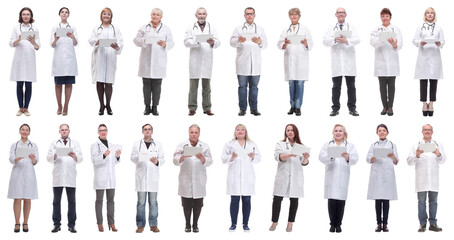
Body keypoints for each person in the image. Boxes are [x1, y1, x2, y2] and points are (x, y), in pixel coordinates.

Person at [134, 8, 174, 116]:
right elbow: (136, 40)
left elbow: (171, 43)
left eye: (157, 15)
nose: (155, 16)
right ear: (150, 15)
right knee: (146, 85)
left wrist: (164, 44)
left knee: (157, 86)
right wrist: (144, 40)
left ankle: (155, 107)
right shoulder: (144, 28)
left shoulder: (166, 29)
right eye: (153, 14)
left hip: (159, 62)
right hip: (146, 61)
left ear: (161, 17)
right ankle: (147, 107)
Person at [173, 124, 213, 233]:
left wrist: (203, 159)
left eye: (196, 132)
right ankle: (187, 224)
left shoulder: (204, 146)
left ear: (199, 134)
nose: (193, 134)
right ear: (188, 133)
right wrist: (182, 157)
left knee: (198, 204)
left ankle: (195, 224)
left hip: (199, 179)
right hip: (185, 179)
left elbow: (210, 161)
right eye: (191, 132)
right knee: (186, 203)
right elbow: (175, 160)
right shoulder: (182, 145)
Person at [269, 124, 309, 232]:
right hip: (283, 176)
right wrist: (290, 155)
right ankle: (274, 222)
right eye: (288, 130)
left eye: (292, 130)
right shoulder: (280, 144)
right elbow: (278, 157)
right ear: (285, 132)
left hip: (296, 177)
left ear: (296, 132)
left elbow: (304, 163)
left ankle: (290, 223)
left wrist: (305, 158)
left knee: (294, 200)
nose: (290, 132)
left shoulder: (301, 146)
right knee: (277, 199)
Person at [319, 124, 358, 233]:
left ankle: (339, 224)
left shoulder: (350, 145)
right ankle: (332, 224)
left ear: (344, 133)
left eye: (340, 131)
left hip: (343, 176)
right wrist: (330, 157)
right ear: (333, 133)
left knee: (341, 202)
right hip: (331, 175)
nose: (338, 132)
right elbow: (321, 157)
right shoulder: (327, 144)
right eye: (336, 130)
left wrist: (347, 157)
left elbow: (355, 158)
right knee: (331, 201)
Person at [221, 124, 261, 232]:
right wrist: (231, 157)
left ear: (246, 132)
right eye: (238, 130)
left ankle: (245, 224)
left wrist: (253, 156)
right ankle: (233, 224)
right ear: (235, 132)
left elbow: (259, 157)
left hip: (247, 176)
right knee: (234, 200)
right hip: (234, 176)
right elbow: (223, 158)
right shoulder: (229, 144)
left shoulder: (252, 144)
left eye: (242, 129)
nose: (240, 131)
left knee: (247, 200)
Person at [407, 124, 446, 232]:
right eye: (425, 130)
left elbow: (443, 160)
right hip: (421, 179)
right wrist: (417, 155)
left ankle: (433, 224)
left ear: (432, 132)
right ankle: (422, 224)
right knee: (421, 202)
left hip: (433, 178)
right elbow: (409, 162)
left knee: (433, 201)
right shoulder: (416, 145)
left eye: (429, 130)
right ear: (422, 131)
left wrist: (438, 154)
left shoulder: (437, 144)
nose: (427, 131)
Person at [323, 7, 360, 117]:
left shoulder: (352, 27)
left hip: (349, 62)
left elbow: (357, 39)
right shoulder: (331, 28)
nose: (340, 14)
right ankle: (335, 108)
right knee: (336, 87)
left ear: (345, 14)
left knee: (351, 87)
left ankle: (352, 108)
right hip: (337, 62)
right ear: (336, 15)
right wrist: (334, 39)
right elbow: (325, 41)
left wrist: (346, 40)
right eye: (338, 13)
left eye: (342, 12)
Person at [230, 7, 267, 116]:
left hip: (256, 63)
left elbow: (265, 44)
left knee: (254, 87)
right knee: (242, 87)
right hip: (242, 63)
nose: (249, 16)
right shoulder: (238, 28)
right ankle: (242, 109)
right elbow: (231, 42)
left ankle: (254, 109)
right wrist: (238, 40)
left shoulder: (260, 29)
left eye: (251, 14)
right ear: (244, 15)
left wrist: (260, 42)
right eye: (247, 14)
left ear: (254, 15)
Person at [47, 124, 83, 233]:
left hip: (70, 176)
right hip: (58, 176)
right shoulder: (54, 143)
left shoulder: (75, 143)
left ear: (69, 131)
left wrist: (75, 156)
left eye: (66, 130)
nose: (64, 131)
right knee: (56, 202)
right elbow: (48, 157)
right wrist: (54, 155)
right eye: (62, 130)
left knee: (72, 202)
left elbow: (81, 158)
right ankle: (56, 224)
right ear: (59, 131)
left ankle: (72, 225)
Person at [184, 7, 220, 116]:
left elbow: (218, 42)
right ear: (196, 15)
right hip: (195, 60)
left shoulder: (211, 27)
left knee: (207, 87)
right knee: (193, 87)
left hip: (207, 60)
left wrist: (212, 42)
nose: (201, 16)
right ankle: (192, 108)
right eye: (199, 14)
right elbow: (186, 42)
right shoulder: (191, 27)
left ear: (206, 15)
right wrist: (197, 41)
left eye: (203, 14)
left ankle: (207, 108)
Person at [277, 8, 313, 116]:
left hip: (301, 61)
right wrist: (285, 44)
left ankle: (298, 107)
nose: (294, 16)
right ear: (289, 16)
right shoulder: (285, 30)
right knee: (291, 84)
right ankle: (292, 106)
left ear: (299, 16)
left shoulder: (305, 30)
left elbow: (311, 44)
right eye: (292, 14)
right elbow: (279, 44)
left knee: (300, 84)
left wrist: (306, 43)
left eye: (296, 14)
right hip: (290, 61)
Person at [89, 7, 124, 116]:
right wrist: (97, 42)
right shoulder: (96, 28)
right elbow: (91, 40)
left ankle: (108, 105)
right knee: (99, 82)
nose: (106, 16)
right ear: (101, 16)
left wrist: (117, 46)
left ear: (111, 17)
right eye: (104, 14)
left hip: (110, 57)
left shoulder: (116, 29)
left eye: (108, 14)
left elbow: (121, 42)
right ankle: (101, 105)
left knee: (108, 83)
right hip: (99, 57)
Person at [130, 124, 165, 233]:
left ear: (152, 131)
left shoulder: (158, 144)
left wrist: (157, 162)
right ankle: (140, 225)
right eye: (145, 129)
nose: (147, 131)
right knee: (141, 202)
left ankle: (153, 224)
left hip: (153, 178)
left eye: (149, 129)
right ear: (142, 131)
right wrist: (140, 156)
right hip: (141, 178)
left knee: (153, 202)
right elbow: (132, 158)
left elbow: (162, 159)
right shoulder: (137, 144)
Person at [370, 8, 403, 116]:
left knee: (392, 86)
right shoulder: (376, 30)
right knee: (382, 87)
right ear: (381, 17)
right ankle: (384, 106)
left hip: (392, 61)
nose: (385, 18)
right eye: (383, 16)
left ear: (390, 17)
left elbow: (400, 44)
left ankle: (390, 107)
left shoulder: (396, 29)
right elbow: (373, 43)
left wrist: (394, 45)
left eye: (387, 16)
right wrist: (382, 39)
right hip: (381, 62)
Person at [366, 124, 398, 232]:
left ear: (387, 132)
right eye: (380, 131)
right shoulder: (373, 145)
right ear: (377, 133)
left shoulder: (392, 145)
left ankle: (385, 224)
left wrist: (392, 156)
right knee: (378, 200)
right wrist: (375, 156)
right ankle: (378, 224)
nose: (382, 132)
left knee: (386, 200)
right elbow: (368, 159)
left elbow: (396, 161)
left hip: (388, 175)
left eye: (384, 130)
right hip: (377, 175)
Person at [413, 7, 444, 117]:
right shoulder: (420, 27)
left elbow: (443, 40)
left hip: (435, 55)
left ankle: (431, 103)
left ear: (434, 15)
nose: (430, 15)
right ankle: (423, 103)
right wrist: (420, 43)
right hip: (423, 55)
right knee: (423, 80)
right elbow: (414, 40)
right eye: (428, 13)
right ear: (425, 15)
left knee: (433, 81)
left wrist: (439, 43)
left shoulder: (439, 27)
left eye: (432, 13)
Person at [8, 124, 39, 233]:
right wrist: (16, 158)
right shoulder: (15, 145)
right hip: (17, 173)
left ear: (29, 132)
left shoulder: (33, 145)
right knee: (17, 198)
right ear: (19, 131)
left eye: (27, 130)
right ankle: (17, 222)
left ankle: (25, 222)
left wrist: (33, 159)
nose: (25, 131)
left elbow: (36, 161)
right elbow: (11, 158)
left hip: (29, 173)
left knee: (27, 198)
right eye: (23, 129)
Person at [91, 124, 122, 232]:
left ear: (107, 131)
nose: (103, 132)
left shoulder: (112, 145)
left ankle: (111, 223)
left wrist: (117, 156)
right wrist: (103, 155)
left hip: (111, 178)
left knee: (111, 201)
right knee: (99, 200)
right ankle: (100, 223)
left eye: (104, 130)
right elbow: (94, 161)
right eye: (101, 130)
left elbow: (113, 162)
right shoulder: (95, 146)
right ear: (98, 132)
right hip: (100, 177)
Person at [10, 7, 40, 117]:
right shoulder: (16, 28)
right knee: (19, 84)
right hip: (19, 58)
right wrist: (18, 39)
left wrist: (33, 42)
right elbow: (11, 43)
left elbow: (38, 46)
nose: (26, 16)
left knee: (28, 84)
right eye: (24, 14)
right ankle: (20, 108)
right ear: (21, 16)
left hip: (29, 60)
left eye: (28, 14)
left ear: (31, 16)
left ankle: (26, 108)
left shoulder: (35, 28)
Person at [50, 7, 78, 116]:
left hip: (70, 60)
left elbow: (76, 43)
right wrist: (56, 39)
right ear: (59, 14)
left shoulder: (72, 27)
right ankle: (59, 105)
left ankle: (66, 105)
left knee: (69, 83)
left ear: (68, 15)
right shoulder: (55, 27)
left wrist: (72, 36)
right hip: (59, 60)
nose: (64, 14)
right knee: (58, 84)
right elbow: (51, 44)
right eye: (62, 12)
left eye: (66, 12)